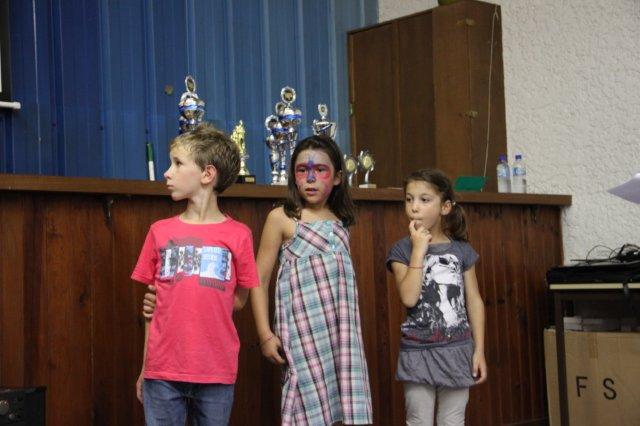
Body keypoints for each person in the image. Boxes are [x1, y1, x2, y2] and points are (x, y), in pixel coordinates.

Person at [132, 123, 259, 426]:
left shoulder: (239, 235)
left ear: (207, 174)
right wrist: (145, 367)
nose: (167, 172)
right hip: (162, 372)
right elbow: (153, 307)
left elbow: (239, 298)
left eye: (177, 163)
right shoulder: (159, 232)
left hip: (216, 370)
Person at [251, 134, 373, 425]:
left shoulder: (341, 221)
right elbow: (258, 279)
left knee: (341, 405)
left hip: (342, 336)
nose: (310, 178)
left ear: (338, 177)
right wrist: (265, 334)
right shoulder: (282, 218)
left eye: (320, 170)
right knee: (306, 407)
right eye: (302, 170)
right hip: (302, 335)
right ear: (293, 176)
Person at [386, 169, 487, 426]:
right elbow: (409, 298)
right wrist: (418, 250)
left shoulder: (462, 250)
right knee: (418, 421)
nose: (414, 207)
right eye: (409, 199)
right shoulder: (401, 250)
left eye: (424, 200)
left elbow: (474, 300)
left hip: (457, 352)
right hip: (417, 353)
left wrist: (479, 350)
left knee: (452, 421)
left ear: (445, 207)